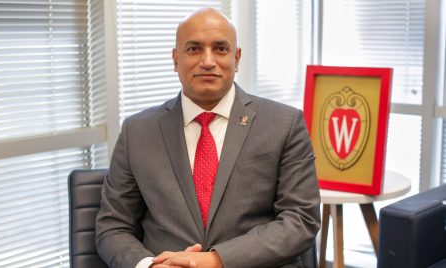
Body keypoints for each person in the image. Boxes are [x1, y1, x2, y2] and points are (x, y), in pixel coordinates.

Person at [95, 7, 321, 268]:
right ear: (175, 58)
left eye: (221, 49)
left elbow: (301, 219)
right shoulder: (137, 132)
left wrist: (214, 260)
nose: (208, 61)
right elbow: (112, 227)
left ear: (237, 59)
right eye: (193, 49)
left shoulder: (284, 123)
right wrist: (150, 266)